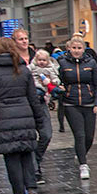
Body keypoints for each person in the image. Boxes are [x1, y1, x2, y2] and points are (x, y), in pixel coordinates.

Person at [0, 37, 50, 194]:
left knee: (11, 157)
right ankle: (32, 188)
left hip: (2, 119)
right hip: (25, 115)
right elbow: (33, 97)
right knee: (27, 153)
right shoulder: (23, 69)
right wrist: (39, 120)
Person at [54, 35, 97, 179]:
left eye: (79, 48)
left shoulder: (91, 63)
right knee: (79, 134)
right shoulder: (62, 63)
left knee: (89, 136)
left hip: (89, 103)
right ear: (69, 48)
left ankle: (81, 153)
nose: (76, 51)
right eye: (74, 48)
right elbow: (58, 80)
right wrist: (59, 89)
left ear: (84, 49)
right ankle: (83, 165)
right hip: (71, 103)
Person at [28, 49, 59, 182]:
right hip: (27, 102)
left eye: (25, 39)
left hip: (42, 101)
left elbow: (56, 79)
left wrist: (53, 83)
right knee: (30, 137)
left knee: (46, 134)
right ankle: (34, 169)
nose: (23, 41)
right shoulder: (30, 67)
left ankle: (36, 159)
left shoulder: (50, 68)